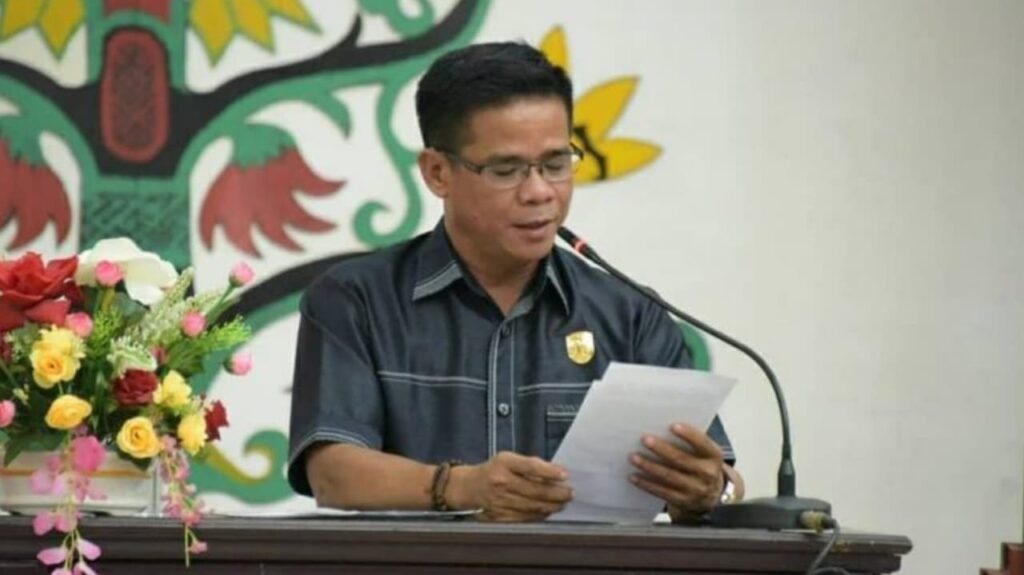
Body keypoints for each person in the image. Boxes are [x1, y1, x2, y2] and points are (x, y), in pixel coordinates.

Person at [287, 41, 743, 522]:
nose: (540, 192)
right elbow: (332, 473)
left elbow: (721, 481)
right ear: (438, 173)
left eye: (556, 165)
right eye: (506, 170)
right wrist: (463, 486)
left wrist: (712, 490)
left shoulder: (630, 313)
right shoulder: (357, 300)